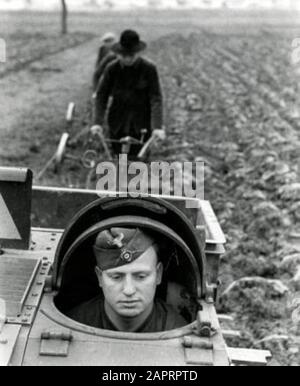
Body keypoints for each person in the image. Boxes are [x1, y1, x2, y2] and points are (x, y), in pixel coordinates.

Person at [66, 227, 187, 332]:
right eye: (116, 277)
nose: (129, 290)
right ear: (100, 277)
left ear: (158, 274)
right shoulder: (73, 324)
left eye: (141, 277)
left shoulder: (176, 329)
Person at [91, 30, 166, 157]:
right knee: (118, 159)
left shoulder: (149, 69)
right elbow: (101, 96)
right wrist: (97, 122)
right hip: (117, 123)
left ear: (137, 53)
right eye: (123, 55)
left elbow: (156, 98)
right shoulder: (111, 69)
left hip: (141, 124)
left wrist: (157, 126)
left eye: (131, 55)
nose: (127, 59)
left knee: (139, 161)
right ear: (118, 53)